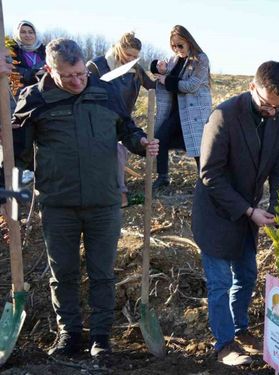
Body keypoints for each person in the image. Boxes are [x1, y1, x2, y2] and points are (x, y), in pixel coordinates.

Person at [11, 38, 159, 361]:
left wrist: (141, 142)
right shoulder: (34, 99)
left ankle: (102, 338)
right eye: (69, 77)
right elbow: (15, 154)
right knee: (63, 274)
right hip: (58, 204)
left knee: (102, 273)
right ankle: (70, 336)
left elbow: (127, 129)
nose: (78, 81)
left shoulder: (105, 92)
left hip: (104, 202)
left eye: (81, 74)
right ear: (50, 70)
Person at [191, 61, 279, 366]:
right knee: (220, 281)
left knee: (247, 275)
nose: (272, 111)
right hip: (217, 212)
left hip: (249, 214)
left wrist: (278, 208)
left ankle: (240, 328)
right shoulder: (223, 116)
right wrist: (249, 211)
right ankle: (224, 345)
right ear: (252, 88)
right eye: (267, 104)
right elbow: (210, 174)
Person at [87, 32, 155, 207]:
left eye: (135, 56)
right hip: (98, 118)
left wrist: (164, 77)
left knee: (118, 151)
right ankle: (119, 194)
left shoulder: (136, 69)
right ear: (119, 48)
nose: (131, 58)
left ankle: (117, 192)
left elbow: (153, 87)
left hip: (122, 119)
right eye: (128, 54)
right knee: (112, 152)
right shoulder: (97, 65)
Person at [150, 25, 211, 191]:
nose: (177, 49)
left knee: (197, 146)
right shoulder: (174, 59)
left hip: (193, 112)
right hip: (175, 111)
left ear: (189, 42)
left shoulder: (201, 59)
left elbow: (191, 86)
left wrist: (166, 80)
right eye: (174, 46)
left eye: (180, 45)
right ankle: (163, 177)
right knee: (160, 138)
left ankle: (204, 180)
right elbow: (161, 72)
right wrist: (157, 67)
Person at [9, 20, 46, 184]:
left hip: (42, 96)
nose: (27, 35)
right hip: (19, 96)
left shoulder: (43, 51)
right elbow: (13, 71)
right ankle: (22, 170)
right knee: (23, 130)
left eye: (30, 32)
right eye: (23, 32)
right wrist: (33, 73)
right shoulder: (11, 51)